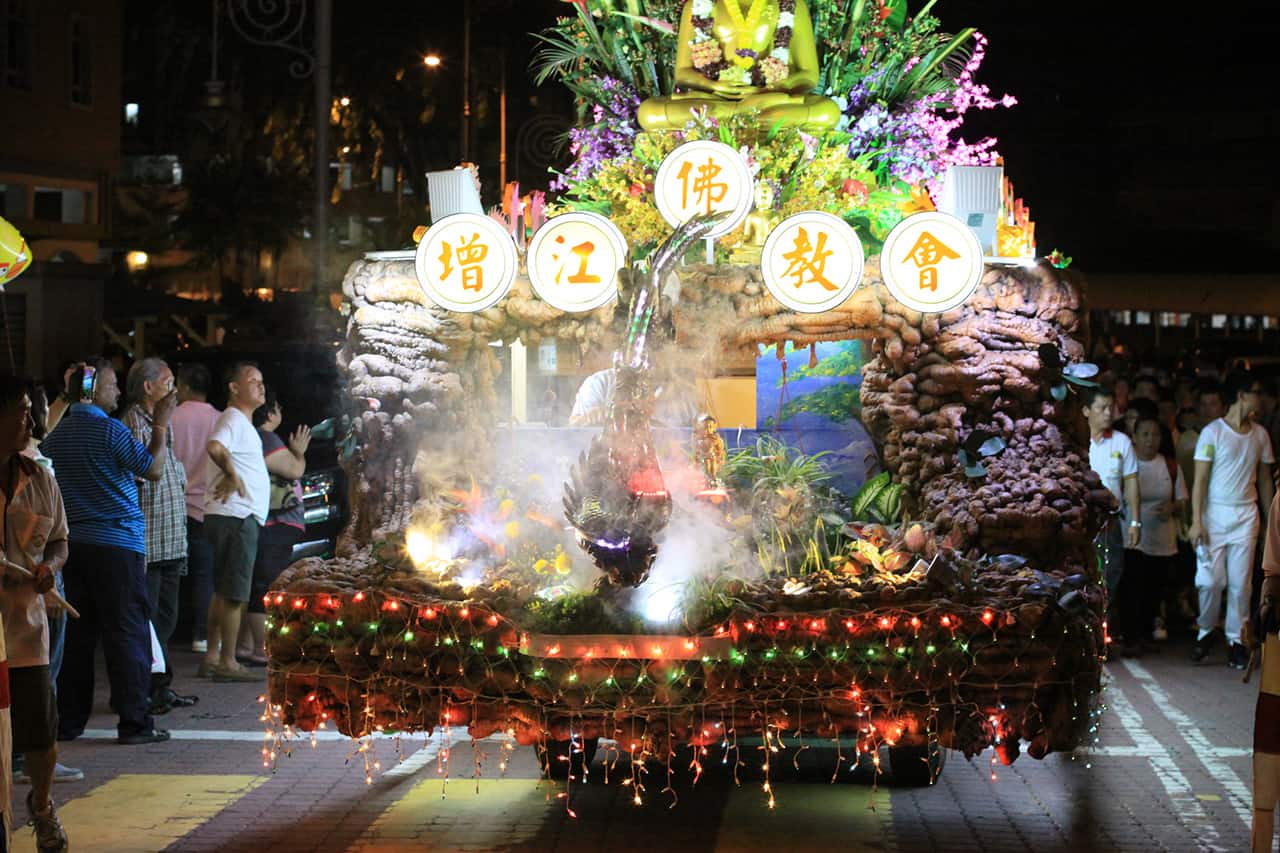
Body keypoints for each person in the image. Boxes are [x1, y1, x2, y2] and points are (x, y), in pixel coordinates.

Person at [41, 359, 174, 744]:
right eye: (112, 385)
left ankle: (69, 721)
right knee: (127, 633)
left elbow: (44, 445)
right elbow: (152, 469)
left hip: (73, 546)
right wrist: (161, 426)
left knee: (78, 638)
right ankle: (134, 723)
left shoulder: (58, 434)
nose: (117, 393)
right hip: (117, 544)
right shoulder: (110, 430)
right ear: (93, 389)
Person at [0, 375, 70, 851]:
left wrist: (50, 567)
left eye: (31, 410)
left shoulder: (40, 476)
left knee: (40, 732)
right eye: (22, 411)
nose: (31, 420)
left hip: (26, 628)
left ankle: (41, 806)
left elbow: (62, 541)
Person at [120, 359, 198, 716]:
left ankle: (160, 687)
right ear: (148, 387)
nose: (174, 391)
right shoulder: (133, 423)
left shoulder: (162, 425)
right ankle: (143, 691)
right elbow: (144, 474)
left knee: (165, 620)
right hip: (148, 542)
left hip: (170, 540)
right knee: (146, 622)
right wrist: (162, 425)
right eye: (167, 383)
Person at [1190, 372, 1275, 668]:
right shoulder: (1212, 433)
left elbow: (1265, 481)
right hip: (1214, 513)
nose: (1260, 398)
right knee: (1210, 582)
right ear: (1241, 395)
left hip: (1246, 514)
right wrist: (1196, 521)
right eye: (1255, 392)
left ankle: (1236, 640)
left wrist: (1268, 522)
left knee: (1241, 585)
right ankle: (1204, 631)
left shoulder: (1260, 435)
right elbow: (1200, 481)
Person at [199, 363, 269, 682]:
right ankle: (228, 661)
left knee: (223, 590)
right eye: (252, 380)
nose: (260, 386)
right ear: (233, 387)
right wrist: (233, 474)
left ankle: (213, 657)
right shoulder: (232, 418)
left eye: (261, 382)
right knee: (235, 594)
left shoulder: (241, 423)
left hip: (228, 515)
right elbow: (215, 446)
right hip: (237, 516)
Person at [236, 389, 309, 665]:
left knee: (256, 580)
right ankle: (261, 648)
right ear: (270, 413)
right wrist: (299, 453)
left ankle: (245, 645)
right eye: (277, 407)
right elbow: (294, 470)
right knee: (265, 583)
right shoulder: (267, 439)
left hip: (267, 522)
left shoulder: (259, 438)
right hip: (275, 523)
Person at [1082, 386, 1141, 651]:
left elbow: (1132, 484)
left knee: (1110, 578)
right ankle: (1085, 636)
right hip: (1081, 522)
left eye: (1111, 408)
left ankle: (1100, 635)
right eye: (1101, 408)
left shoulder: (1121, 442)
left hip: (1111, 521)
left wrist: (1135, 521)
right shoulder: (1077, 440)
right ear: (1086, 411)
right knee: (1082, 577)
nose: (1108, 413)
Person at [170, 363, 219, 655]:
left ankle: (171, 632)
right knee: (204, 574)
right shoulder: (219, 419)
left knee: (171, 575)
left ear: (184, 386)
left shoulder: (170, 417)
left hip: (175, 506)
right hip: (205, 507)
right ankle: (201, 635)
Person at [1129, 414, 1188, 646]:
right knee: (1135, 585)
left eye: (1155, 435)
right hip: (1134, 536)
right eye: (1145, 434)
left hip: (1163, 537)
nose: (1150, 440)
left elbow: (1183, 498)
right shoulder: (1129, 461)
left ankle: (1150, 626)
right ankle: (1134, 633)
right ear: (1134, 437)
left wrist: (1172, 507)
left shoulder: (1170, 465)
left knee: (1156, 586)